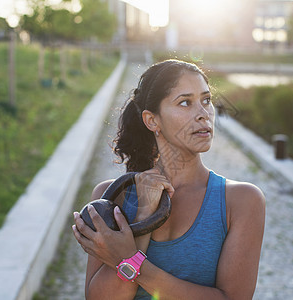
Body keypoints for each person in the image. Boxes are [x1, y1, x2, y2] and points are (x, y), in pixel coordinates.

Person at [72, 59, 265, 299]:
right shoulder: (112, 197)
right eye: (185, 103)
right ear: (152, 120)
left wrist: (129, 262)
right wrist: (143, 216)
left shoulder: (242, 201)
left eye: (206, 100)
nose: (203, 114)